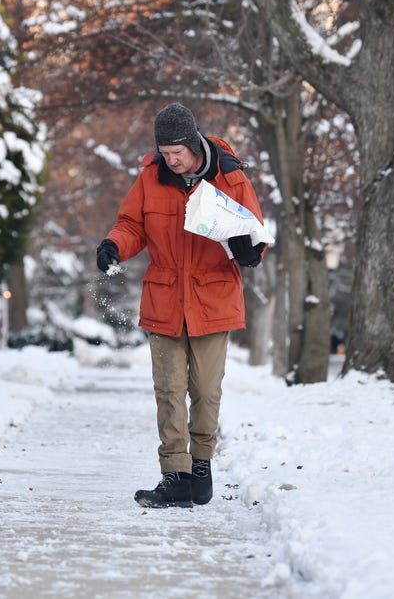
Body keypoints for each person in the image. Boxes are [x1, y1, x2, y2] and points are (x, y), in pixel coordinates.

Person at [96, 102, 267, 508]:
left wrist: (248, 250)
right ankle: (175, 476)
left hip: (213, 296)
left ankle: (201, 466)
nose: (171, 161)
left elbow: (254, 233)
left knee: (205, 391)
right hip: (166, 297)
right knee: (169, 390)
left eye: (178, 153)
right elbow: (132, 224)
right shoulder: (151, 178)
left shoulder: (230, 175)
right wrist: (113, 246)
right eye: (165, 153)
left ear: (193, 145)